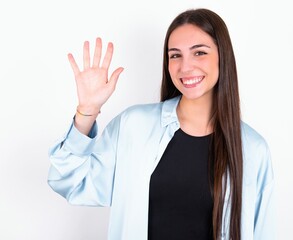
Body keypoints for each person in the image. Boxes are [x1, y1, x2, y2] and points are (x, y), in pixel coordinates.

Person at [48, 8, 276, 240]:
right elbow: (70, 182)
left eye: (199, 53)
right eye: (175, 55)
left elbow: (263, 232)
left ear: (222, 56)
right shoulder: (134, 127)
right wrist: (87, 110)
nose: (185, 67)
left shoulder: (253, 149)